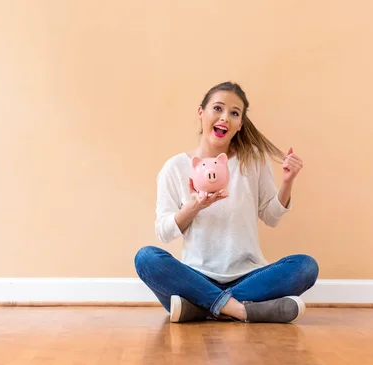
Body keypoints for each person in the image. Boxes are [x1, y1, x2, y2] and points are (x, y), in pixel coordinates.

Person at [134, 81, 319, 324]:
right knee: (146, 258)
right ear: (201, 113)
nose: (225, 118)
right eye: (217, 109)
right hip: (196, 277)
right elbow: (164, 232)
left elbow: (271, 217)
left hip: (248, 276)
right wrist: (195, 206)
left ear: (240, 124)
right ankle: (242, 310)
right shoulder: (175, 168)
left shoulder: (252, 160)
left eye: (234, 113)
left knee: (306, 267)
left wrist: (287, 181)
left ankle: (201, 308)